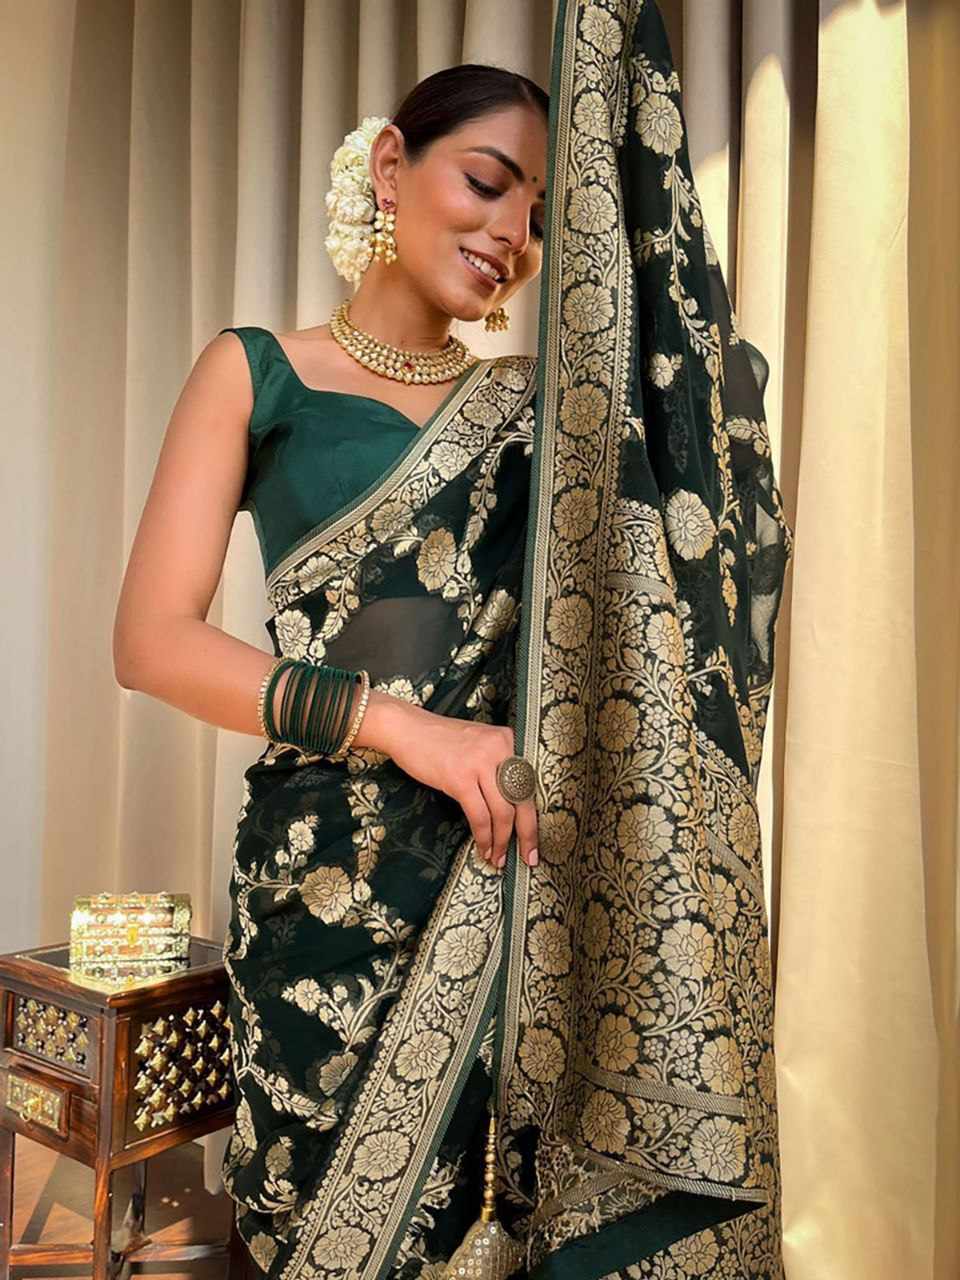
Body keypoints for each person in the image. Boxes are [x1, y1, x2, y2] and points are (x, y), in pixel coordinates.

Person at [113, 1, 793, 1277]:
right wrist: (402, 726)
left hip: (508, 880)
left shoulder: (541, 419)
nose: (509, 236)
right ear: (392, 167)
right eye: (486, 183)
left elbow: (682, 521)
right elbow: (151, 641)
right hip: (322, 888)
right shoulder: (256, 372)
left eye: (536, 217)